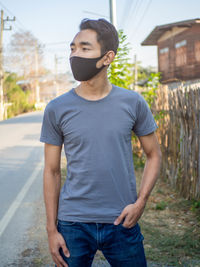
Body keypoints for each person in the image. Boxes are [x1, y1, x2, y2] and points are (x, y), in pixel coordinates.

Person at [40, 18, 162, 267]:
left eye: (85, 48)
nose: (75, 55)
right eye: (72, 48)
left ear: (107, 57)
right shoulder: (56, 108)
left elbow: (154, 155)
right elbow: (51, 171)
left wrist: (140, 203)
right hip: (72, 224)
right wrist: (52, 230)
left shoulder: (133, 103)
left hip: (122, 221)